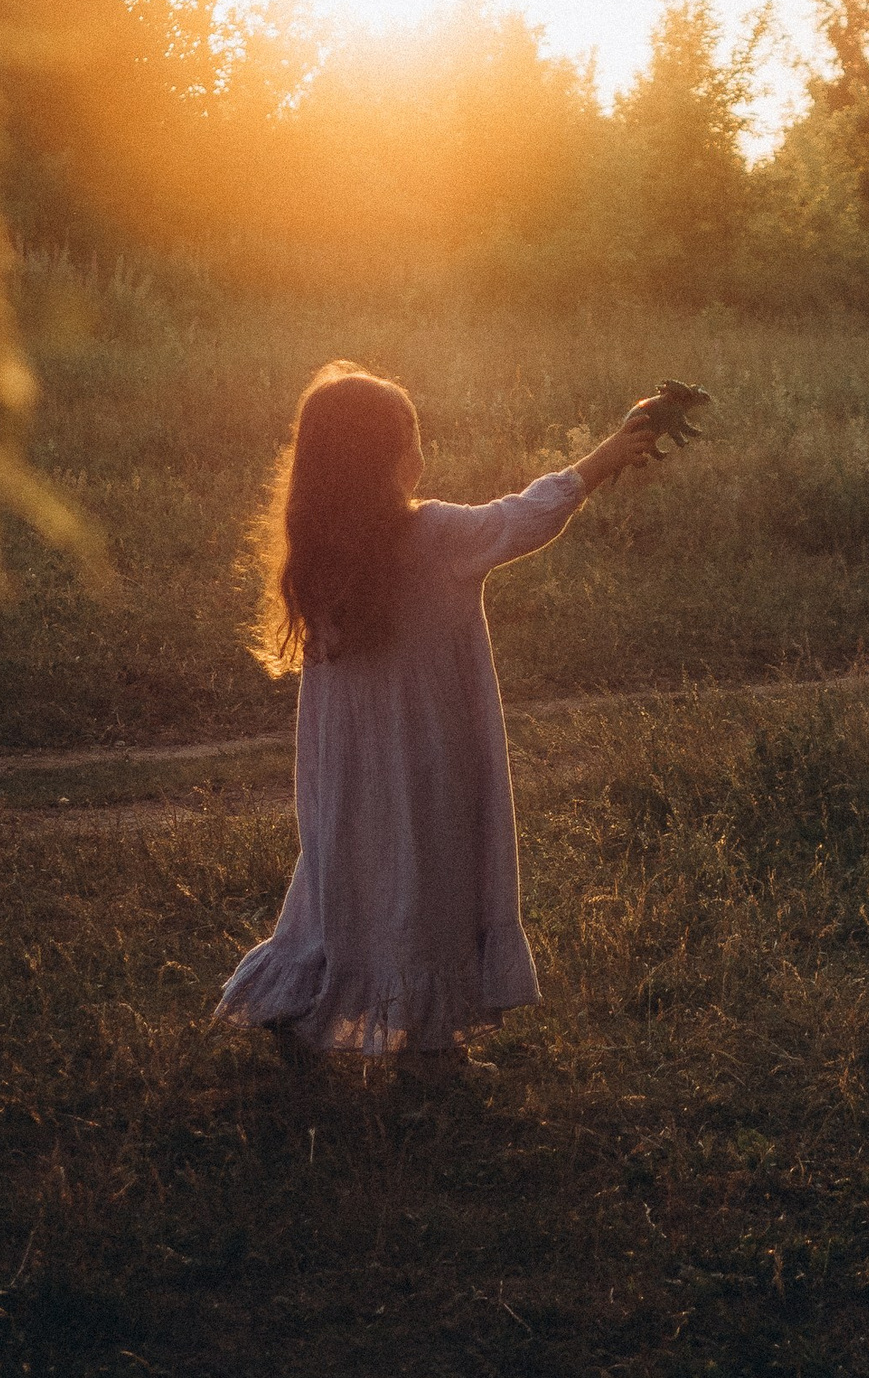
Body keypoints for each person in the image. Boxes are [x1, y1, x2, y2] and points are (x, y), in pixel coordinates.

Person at [218, 363, 663, 1061]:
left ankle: (309, 994)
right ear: (391, 457)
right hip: (428, 764)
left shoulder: (320, 556)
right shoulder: (438, 536)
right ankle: (428, 1033)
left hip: (345, 777)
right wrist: (609, 453)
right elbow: (527, 515)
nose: (419, 450)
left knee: (342, 876)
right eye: (409, 435)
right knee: (430, 881)